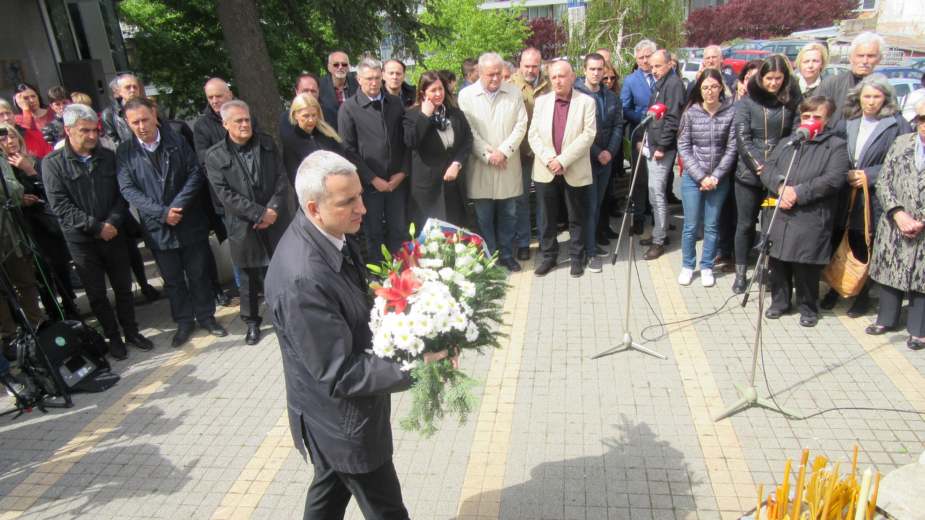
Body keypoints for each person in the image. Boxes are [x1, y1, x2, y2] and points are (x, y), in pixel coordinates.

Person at [265, 150, 455, 519]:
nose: (362, 208)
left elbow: (347, 302)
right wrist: (418, 363)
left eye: (360, 195)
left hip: (332, 416)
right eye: (347, 201)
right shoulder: (303, 279)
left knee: (329, 490)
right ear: (313, 207)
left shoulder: (326, 232)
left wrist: (399, 297)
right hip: (343, 422)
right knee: (386, 509)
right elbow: (341, 373)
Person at [43, 104, 154, 359]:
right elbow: (60, 205)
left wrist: (112, 223)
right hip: (82, 241)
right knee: (96, 294)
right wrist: (96, 227)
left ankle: (131, 331)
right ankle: (113, 337)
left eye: (95, 130)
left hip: (114, 234)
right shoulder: (53, 164)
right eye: (85, 131)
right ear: (68, 130)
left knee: (123, 287)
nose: (92, 136)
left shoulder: (108, 157)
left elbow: (122, 193)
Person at [116, 97, 227, 347]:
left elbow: (195, 173)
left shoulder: (176, 140)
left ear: (154, 115)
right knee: (173, 280)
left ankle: (207, 317)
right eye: (135, 122)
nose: (141, 126)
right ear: (127, 123)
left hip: (189, 220)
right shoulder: (125, 152)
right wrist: (162, 213)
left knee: (199, 274)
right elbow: (128, 189)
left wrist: (178, 205)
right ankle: (184, 322)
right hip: (158, 229)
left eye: (145, 119)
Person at [820, 74, 912, 316]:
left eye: (876, 97)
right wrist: (845, 171)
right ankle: (835, 288)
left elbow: (901, 160)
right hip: (844, 191)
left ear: (886, 98)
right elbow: (833, 150)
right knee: (838, 238)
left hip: (872, 195)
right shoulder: (848, 120)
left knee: (863, 242)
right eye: (867, 96)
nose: (871, 102)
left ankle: (862, 295)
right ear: (858, 97)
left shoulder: (897, 124)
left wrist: (869, 175)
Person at [205, 100, 291, 345]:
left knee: (279, 271)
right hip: (243, 225)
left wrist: (272, 210)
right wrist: (259, 214)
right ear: (225, 124)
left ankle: (284, 316)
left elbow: (281, 178)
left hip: (274, 222)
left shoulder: (267, 143)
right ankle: (252, 322)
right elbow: (224, 194)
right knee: (248, 278)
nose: (245, 124)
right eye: (239, 121)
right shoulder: (215, 155)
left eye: (247, 119)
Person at [760, 96, 848, 327]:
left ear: (827, 120)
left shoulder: (836, 146)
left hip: (811, 214)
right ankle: (780, 302)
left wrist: (798, 193)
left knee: (805, 264)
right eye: (806, 116)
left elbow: (833, 179)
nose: (810, 120)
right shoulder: (789, 142)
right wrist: (780, 187)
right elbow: (768, 169)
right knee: (778, 260)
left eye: (816, 117)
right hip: (781, 211)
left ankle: (808, 306)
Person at [731, 55, 802, 293]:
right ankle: (741, 273)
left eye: (778, 78)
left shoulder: (792, 101)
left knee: (771, 224)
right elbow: (743, 138)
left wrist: (775, 166)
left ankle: (768, 270)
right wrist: (759, 166)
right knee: (745, 225)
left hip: (778, 174)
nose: (773, 83)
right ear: (761, 78)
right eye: (769, 78)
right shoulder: (746, 102)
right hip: (749, 175)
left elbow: (794, 134)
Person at [458, 52, 529, 272]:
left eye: (499, 73)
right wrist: (489, 155)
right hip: (481, 166)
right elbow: (468, 130)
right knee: (484, 216)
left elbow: (521, 125)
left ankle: (506, 254)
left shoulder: (514, 92)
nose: (496, 78)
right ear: (479, 73)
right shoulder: (466, 96)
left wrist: (504, 152)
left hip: (508, 164)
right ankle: (490, 256)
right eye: (490, 74)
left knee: (509, 214)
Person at [0, 123, 79, 319]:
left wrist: (30, 171)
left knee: (59, 266)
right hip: (22, 227)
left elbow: (51, 190)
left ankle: (70, 306)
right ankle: (53, 311)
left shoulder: (34, 161)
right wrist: (20, 200)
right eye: (4, 139)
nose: (10, 141)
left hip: (45, 224)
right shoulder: (4, 170)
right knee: (39, 273)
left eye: (13, 136)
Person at [528, 60, 597, 278]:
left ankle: (577, 257)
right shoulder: (541, 102)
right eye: (554, 77)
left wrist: (563, 160)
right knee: (547, 218)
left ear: (572, 77)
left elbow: (588, 135)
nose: (558, 81)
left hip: (573, 168)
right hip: (545, 169)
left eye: (562, 76)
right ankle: (549, 256)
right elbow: (533, 135)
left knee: (576, 217)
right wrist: (550, 159)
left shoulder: (586, 102)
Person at [338, 57, 409, 264]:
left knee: (398, 229)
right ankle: (378, 274)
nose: (374, 82)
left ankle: (400, 271)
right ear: (359, 79)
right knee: (373, 232)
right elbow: (348, 150)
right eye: (369, 78)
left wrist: (402, 172)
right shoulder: (349, 108)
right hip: (369, 184)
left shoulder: (394, 103)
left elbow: (406, 141)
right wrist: (372, 179)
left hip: (396, 181)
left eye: (377, 78)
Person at [866, 99, 925, 349]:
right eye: (921, 119)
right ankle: (886, 318)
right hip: (895, 221)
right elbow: (884, 181)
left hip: (922, 226)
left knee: (922, 279)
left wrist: (920, 220)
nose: (924, 125)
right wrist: (898, 213)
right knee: (891, 271)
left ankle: (919, 330)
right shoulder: (902, 142)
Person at [676, 69, 737, 288]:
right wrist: (701, 177)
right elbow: (684, 146)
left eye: (714, 87)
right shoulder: (691, 113)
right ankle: (687, 265)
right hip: (694, 178)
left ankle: (707, 266)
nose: (709, 92)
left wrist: (716, 176)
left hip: (719, 179)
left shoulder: (730, 112)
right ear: (699, 90)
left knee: (712, 225)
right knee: (691, 225)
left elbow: (732, 148)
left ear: (721, 88)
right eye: (705, 88)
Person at [402, 71, 473, 228]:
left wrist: (457, 163)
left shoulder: (454, 112)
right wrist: (425, 116)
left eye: (440, 89)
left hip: (452, 184)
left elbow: (467, 139)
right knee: (432, 234)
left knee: (455, 230)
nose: (438, 93)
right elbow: (411, 141)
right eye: (433, 90)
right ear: (423, 93)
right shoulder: (412, 115)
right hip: (428, 189)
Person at [575, 53, 623, 273]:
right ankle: (590, 252)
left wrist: (610, 152)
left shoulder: (611, 97)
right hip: (585, 159)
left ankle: (590, 244)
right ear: (584, 70)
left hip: (606, 161)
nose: (596, 73)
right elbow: (580, 130)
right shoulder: (576, 95)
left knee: (597, 206)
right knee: (588, 206)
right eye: (592, 69)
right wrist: (597, 153)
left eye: (600, 69)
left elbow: (618, 126)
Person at [640, 49, 686, 261]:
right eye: (652, 66)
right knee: (653, 192)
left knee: (657, 192)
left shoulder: (674, 84)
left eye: (658, 66)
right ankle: (659, 231)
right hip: (653, 144)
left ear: (669, 64)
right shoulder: (661, 83)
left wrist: (662, 146)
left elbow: (673, 119)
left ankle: (659, 240)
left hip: (662, 148)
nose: (654, 70)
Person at [510, 47, 550, 261]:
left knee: (545, 199)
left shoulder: (549, 84)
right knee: (521, 200)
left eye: (535, 66)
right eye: (527, 66)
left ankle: (545, 240)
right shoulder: (510, 86)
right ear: (520, 65)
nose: (530, 70)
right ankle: (524, 242)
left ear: (540, 65)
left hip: (545, 152)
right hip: (520, 153)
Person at [0, 154, 43, 348]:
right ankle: (9, 337)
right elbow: (12, 190)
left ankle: (37, 327)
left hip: (10, 233)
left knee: (26, 282)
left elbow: (14, 190)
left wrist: (15, 195)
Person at [621, 39, 657, 236]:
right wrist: (643, 117)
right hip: (640, 134)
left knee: (660, 178)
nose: (645, 60)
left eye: (648, 56)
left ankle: (659, 219)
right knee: (640, 178)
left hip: (661, 135)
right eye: (641, 57)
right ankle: (639, 217)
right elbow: (625, 108)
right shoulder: (631, 81)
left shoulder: (663, 76)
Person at [816, 31, 885, 126]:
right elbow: (812, 115)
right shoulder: (831, 84)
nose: (865, 61)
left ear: (879, 59)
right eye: (860, 56)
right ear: (851, 57)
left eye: (870, 56)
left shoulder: (884, 90)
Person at [281, 93, 346, 186]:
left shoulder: (328, 134)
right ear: (295, 115)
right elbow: (295, 179)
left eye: (314, 115)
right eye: (306, 116)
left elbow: (342, 162)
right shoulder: (290, 143)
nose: (311, 120)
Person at [101, 73, 145, 149]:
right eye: (128, 87)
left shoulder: (150, 109)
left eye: (135, 87)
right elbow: (113, 143)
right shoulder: (109, 114)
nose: (132, 90)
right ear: (118, 91)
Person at [12, 83, 54, 158]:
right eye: (26, 98)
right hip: (37, 159)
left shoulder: (52, 112)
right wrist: (25, 109)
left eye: (33, 96)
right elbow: (25, 133)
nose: (31, 100)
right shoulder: (17, 119)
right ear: (19, 101)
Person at [319, 51, 358, 131]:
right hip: (330, 132)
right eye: (336, 65)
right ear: (329, 67)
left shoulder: (358, 83)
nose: (340, 67)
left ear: (348, 67)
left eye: (344, 64)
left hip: (355, 131)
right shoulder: (320, 86)